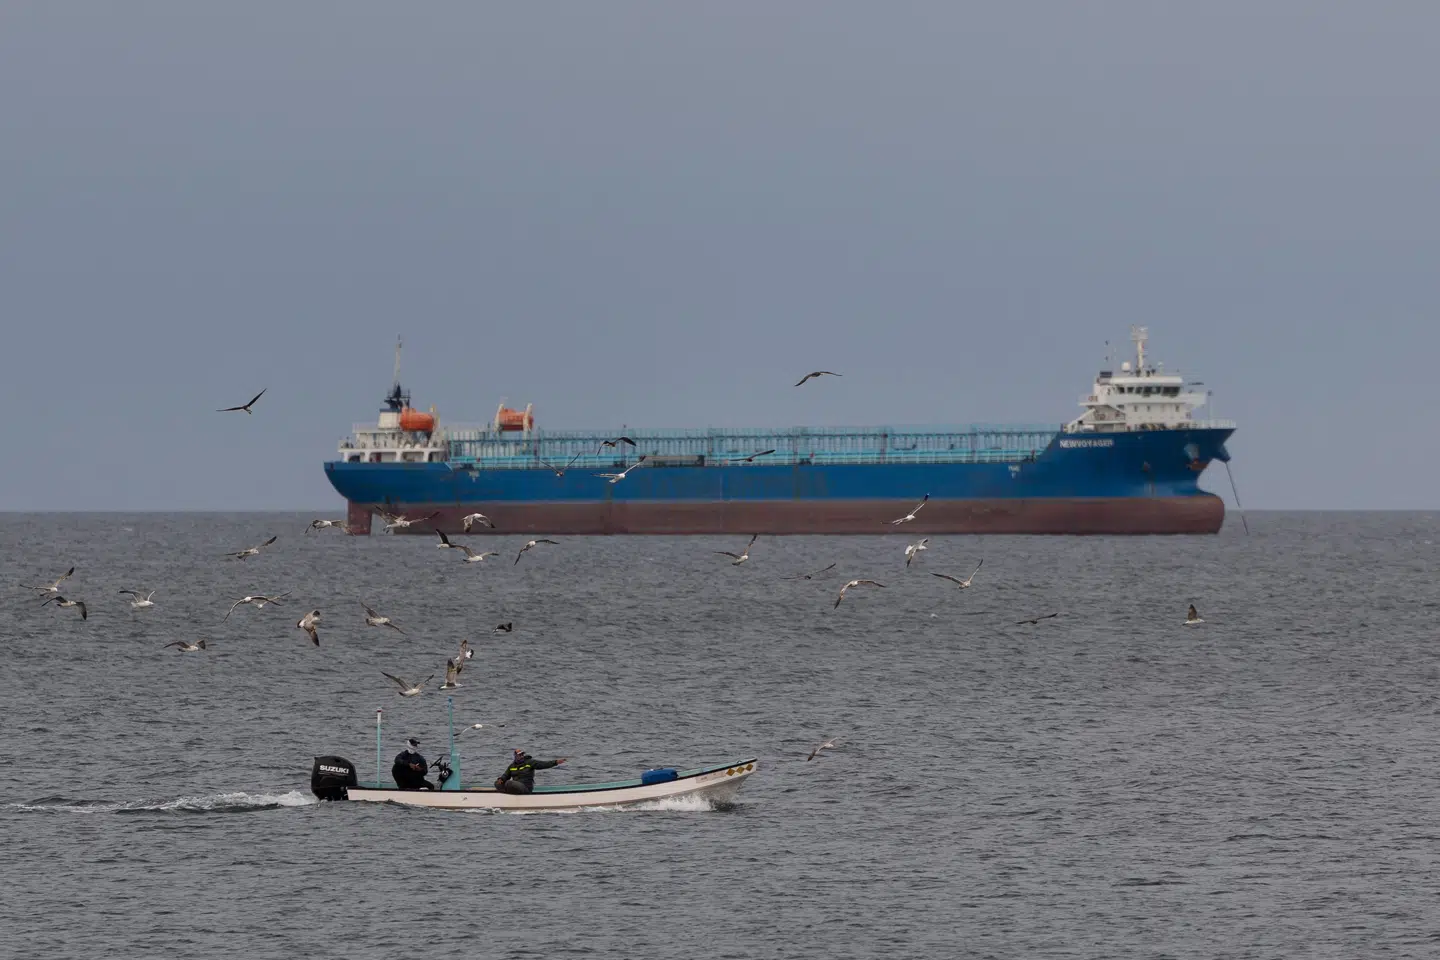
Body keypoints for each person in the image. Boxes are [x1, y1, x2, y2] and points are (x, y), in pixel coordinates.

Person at [493, 748, 567, 795]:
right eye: (519, 755)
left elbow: (543, 764)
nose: (521, 756)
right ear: (515, 756)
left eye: (522, 754)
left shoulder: (530, 762)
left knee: (509, 783)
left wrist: (555, 762)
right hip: (515, 786)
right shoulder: (512, 766)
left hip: (525, 787)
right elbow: (506, 775)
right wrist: (501, 779)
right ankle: (505, 795)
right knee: (497, 783)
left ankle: (508, 794)